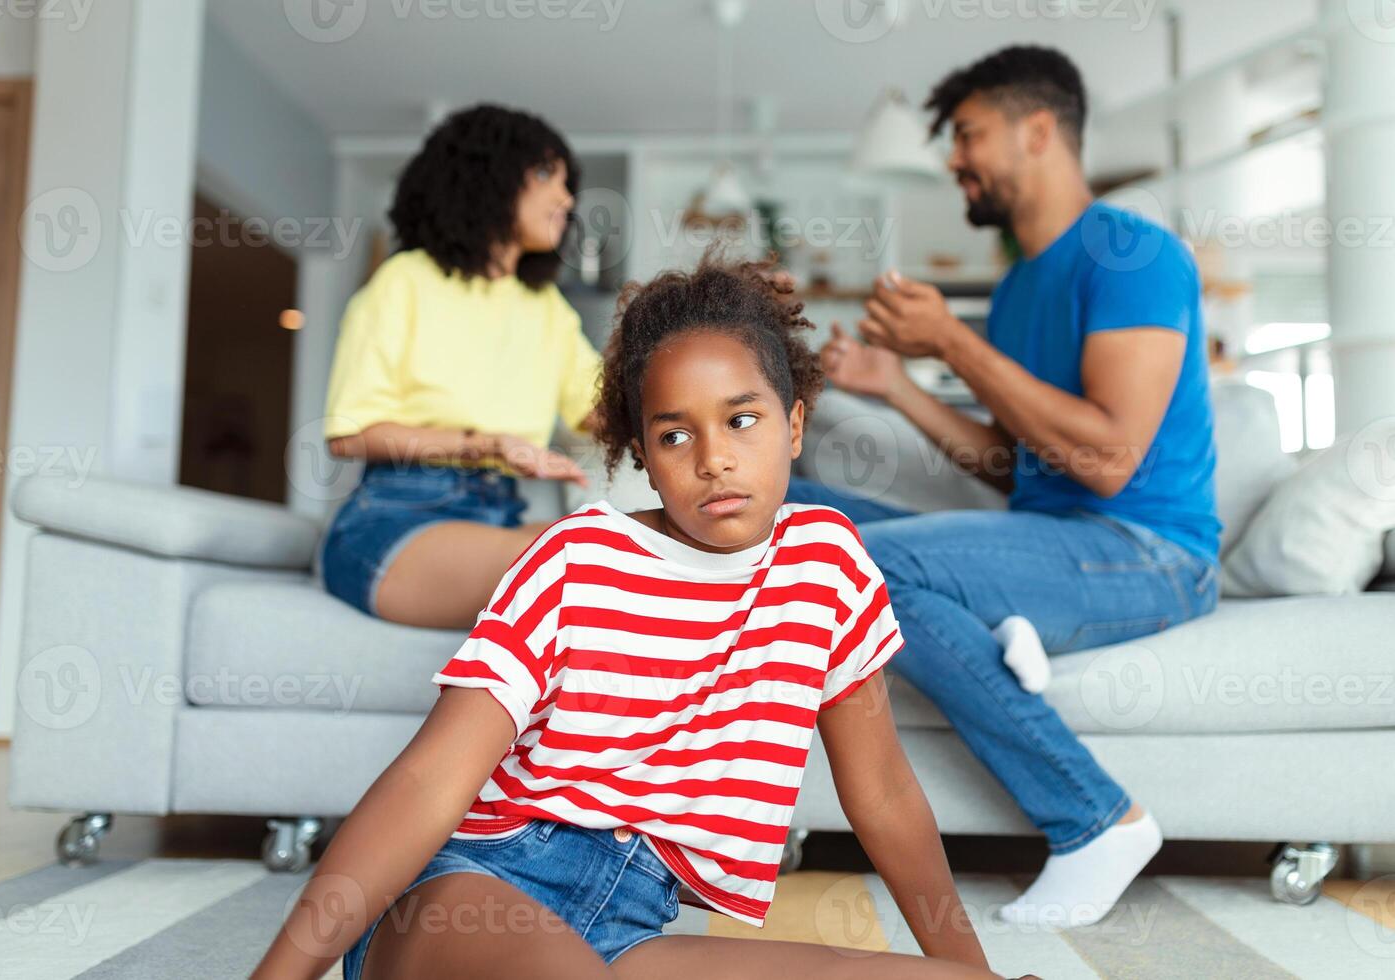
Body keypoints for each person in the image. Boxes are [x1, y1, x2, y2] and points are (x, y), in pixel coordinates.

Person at [252, 256, 1025, 980]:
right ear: (644, 459)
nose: (713, 458)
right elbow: (427, 782)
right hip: (467, 892)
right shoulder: (576, 558)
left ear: (794, 425)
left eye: (742, 420)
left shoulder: (827, 564)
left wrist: (970, 970)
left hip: (629, 930)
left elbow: (885, 791)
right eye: (675, 435)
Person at [786, 46, 1220, 928]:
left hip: (1151, 555)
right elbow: (1014, 461)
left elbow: (1105, 462)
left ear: (1039, 130)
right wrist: (895, 384)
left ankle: (1095, 818)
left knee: (854, 567)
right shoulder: (1022, 284)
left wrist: (949, 343)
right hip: (1055, 539)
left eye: (968, 135)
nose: (953, 159)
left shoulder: (1135, 256)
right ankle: (998, 617)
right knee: (797, 518)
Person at [317, 103, 601, 630]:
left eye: (567, 184)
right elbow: (351, 433)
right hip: (395, 517)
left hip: (499, 513)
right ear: (486, 176)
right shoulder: (405, 280)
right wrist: (489, 444)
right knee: (579, 562)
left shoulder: (549, 311)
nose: (565, 198)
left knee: (634, 554)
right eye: (545, 175)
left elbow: (607, 412)